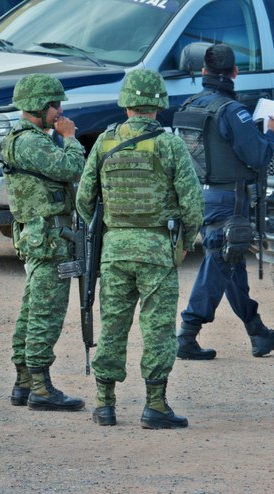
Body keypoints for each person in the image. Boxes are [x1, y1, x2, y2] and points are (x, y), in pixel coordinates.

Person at [76, 68, 204, 429]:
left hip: (114, 251)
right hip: (156, 250)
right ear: (158, 104)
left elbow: (84, 200)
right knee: (157, 329)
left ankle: (104, 404)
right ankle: (155, 406)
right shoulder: (169, 144)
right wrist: (183, 244)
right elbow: (193, 205)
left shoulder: (103, 142)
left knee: (112, 325)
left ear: (127, 103)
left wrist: (108, 231)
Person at [175, 43, 274, 360]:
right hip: (230, 200)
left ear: (203, 72)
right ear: (234, 73)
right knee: (219, 263)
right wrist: (271, 133)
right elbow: (258, 155)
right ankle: (187, 333)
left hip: (198, 196)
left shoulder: (189, 105)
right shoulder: (231, 110)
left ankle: (257, 332)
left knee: (231, 262)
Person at [2, 74, 86, 412]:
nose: (60, 111)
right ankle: (40, 386)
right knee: (46, 312)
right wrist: (70, 137)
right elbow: (72, 167)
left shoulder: (24, 137)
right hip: (49, 238)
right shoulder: (32, 141)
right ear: (41, 105)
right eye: (56, 105)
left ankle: (24, 382)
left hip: (41, 234)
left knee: (31, 309)